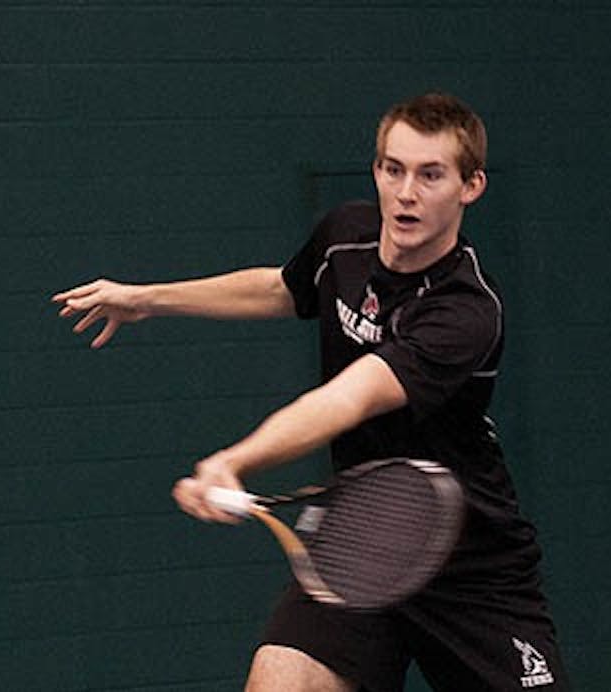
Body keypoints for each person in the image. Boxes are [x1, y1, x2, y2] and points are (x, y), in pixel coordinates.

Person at [53, 92, 568, 691]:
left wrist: (234, 460)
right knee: (279, 680)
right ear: (376, 169)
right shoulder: (344, 236)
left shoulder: (466, 311)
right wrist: (147, 299)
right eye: (393, 169)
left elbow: (347, 399)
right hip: (360, 542)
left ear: (470, 186)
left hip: (473, 568)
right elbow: (281, 289)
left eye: (431, 175)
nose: (406, 192)